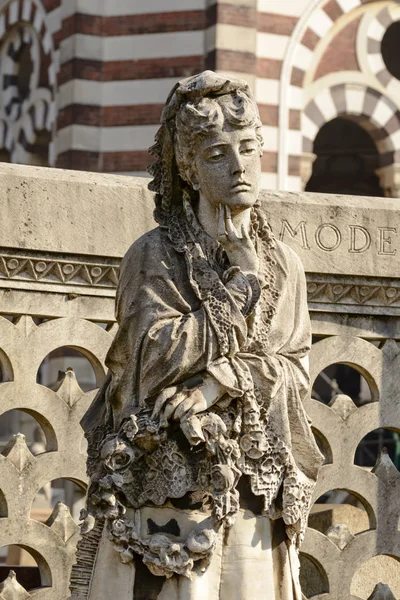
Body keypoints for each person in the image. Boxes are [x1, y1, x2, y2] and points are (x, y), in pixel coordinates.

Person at [69, 71, 323, 600]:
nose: (239, 167)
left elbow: (295, 370)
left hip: (254, 496)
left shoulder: (286, 265)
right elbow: (153, 359)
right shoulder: (154, 255)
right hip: (163, 501)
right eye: (216, 155)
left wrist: (218, 383)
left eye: (249, 148)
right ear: (187, 167)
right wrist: (239, 286)